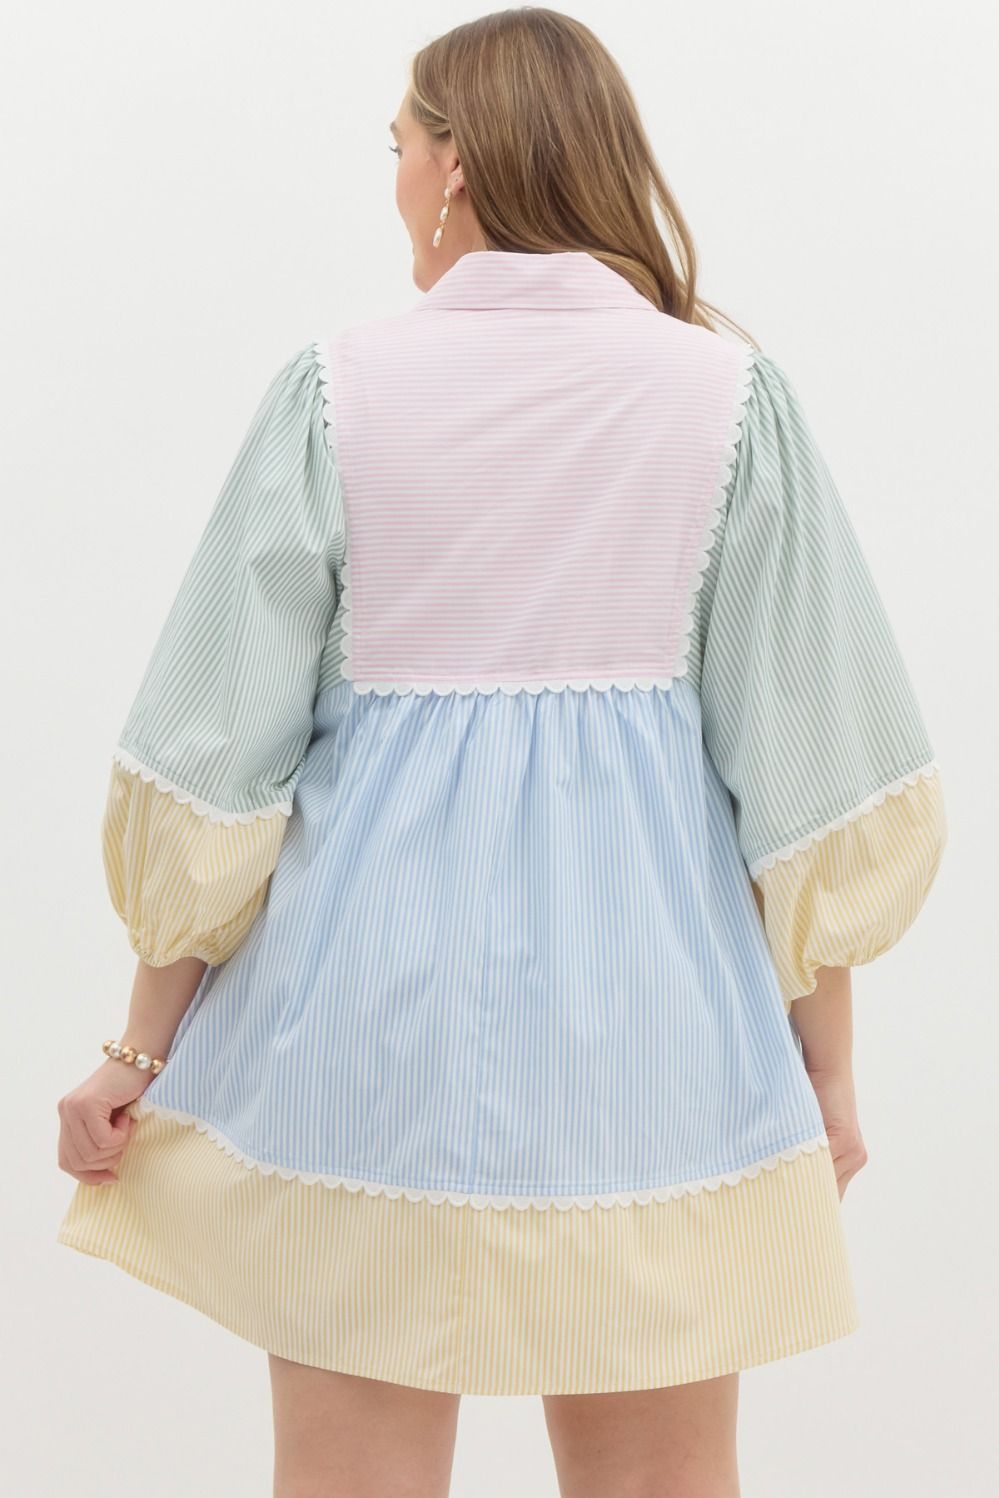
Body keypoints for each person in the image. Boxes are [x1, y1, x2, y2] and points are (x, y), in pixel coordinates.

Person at [54, 9, 947, 1496]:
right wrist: (829, 1070)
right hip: (656, 1051)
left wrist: (138, 1047)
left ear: (456, 164)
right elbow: (805, 779)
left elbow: (219, 769)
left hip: (362, 1043)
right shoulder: (726, 399)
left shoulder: (336, 392)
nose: (395, 178)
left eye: (399, 146)